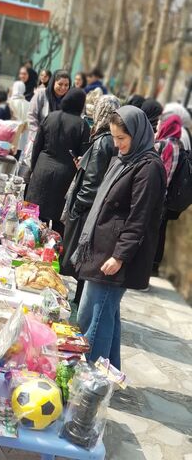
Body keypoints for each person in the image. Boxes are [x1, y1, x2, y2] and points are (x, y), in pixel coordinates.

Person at [72, 106, 166, 369]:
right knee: (105, 314)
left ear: (137, 135)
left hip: (113, 254)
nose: (117, 144)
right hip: (102, 248)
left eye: (121, 139)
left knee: (93, 315)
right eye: (114, 138)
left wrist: (119, 256)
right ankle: (108, 373)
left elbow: (141, 217)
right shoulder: (125, 159)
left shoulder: (149, 167)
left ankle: (90, 375)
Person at [61, 95, 121, 304]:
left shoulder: (102, 141)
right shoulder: (113, 139)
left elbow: (92, 182)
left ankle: (78, 302)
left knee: (80, 258)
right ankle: (80, 299)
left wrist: (76, 207)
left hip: (88, 208)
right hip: (99, 206)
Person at [25, 88, 90, 236]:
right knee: (57, 222)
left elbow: (37, 146)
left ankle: (27, 250)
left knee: (33, 217)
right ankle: (51, 253)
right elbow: (83, 156)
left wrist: (34, 168)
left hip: (42, 168)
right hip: (65, 176)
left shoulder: (50, 117)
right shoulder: (82, 125)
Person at [20, 70, 71, 184]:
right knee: (26, 174)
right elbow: (31, 115)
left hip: (53, 146)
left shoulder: (68, 100)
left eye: (66, 85)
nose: (63, 88)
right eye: (60, 84)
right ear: (53, 82)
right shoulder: (42, 94)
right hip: (36, 140)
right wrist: (37, 134)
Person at [152, 114, 183, 275]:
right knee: (157, 234)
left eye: (159, 123)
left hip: (153, 197)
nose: (158, 126)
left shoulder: (162, 145)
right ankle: (151, 269)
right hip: (165, 198)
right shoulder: (179, 145)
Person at [9, 81, 29, 158]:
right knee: (14, 161)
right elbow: (28, 124)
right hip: (21, 138)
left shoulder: (11, 102)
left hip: (9, 136)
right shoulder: (28, 104)